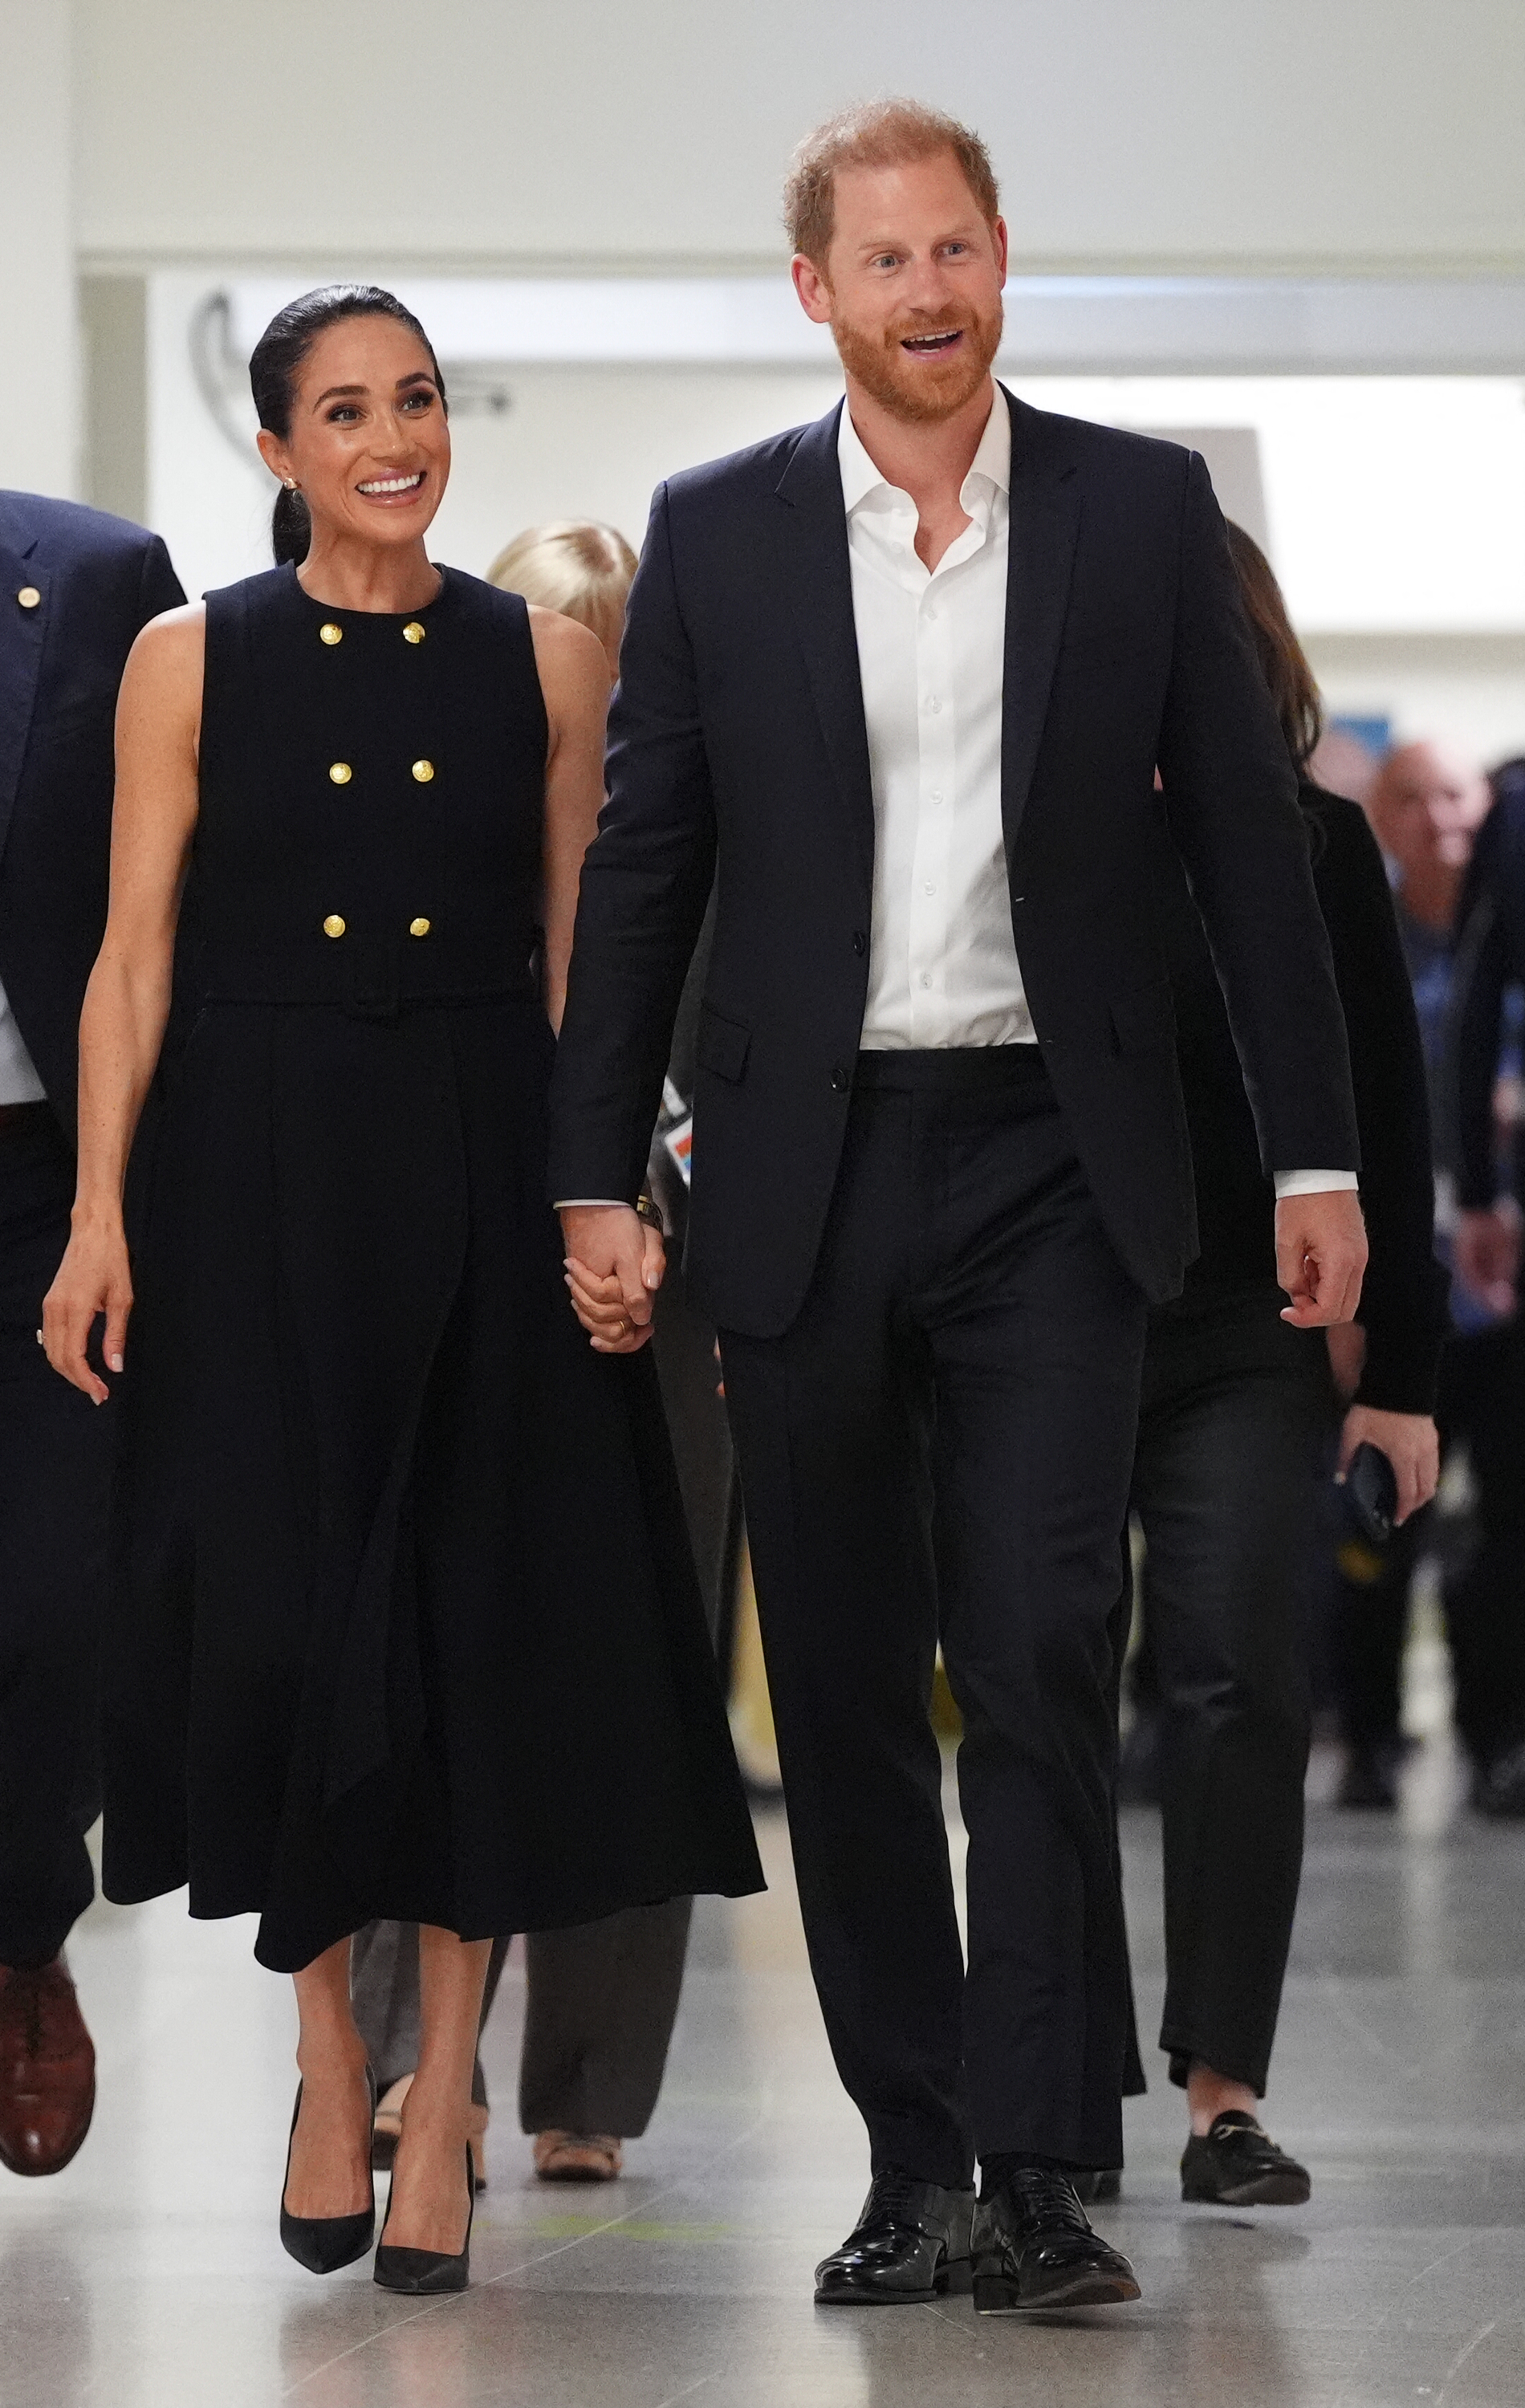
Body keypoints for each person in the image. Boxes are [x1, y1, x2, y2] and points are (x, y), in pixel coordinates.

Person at [547, 101, 1365, 2316]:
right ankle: (909, 2164)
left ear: (1007, 259)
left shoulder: (1137, 510)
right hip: (801, 1164)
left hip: (1047, 1168)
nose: (930, 293)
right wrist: (586, 1169)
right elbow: (647, 871)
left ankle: (1036, 2162)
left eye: (960, 251)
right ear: (812, 289)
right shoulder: (716, 536)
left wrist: (1315, 1156)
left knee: (1027, 1656)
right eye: (883, 261)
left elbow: (1253, 874)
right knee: (831, 1682)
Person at [42, 286, 761, 2294]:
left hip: (478, 1155)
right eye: (344, 408)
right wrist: (102, 1219)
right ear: (273, 447)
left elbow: (577, 963)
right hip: (253, 1181)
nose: (393, 434)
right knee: (274, 1626)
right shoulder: (190, 660)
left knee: (474, 1638)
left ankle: (443, 2092)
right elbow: (131, 960)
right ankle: (325, 2046)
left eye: (419, 397)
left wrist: (595, 1201)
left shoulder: (546, 656)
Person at [353, 519, 726, 2190]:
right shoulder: (429, 859)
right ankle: (407, 2061)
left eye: (606, 653)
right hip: (463, 1280)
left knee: (641, 1667)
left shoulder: (717, 855)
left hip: (683, 1298)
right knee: (423, 1663)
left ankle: (589, 2086)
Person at [1122, 527, 1444, 2208]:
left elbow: (1387, 1108)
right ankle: (1044, 2082)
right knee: (1024, 1692)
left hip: (1250, 1331)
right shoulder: (1042, 836)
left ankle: (1222, 2090)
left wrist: (1399, 1377)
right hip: (1042, 1310)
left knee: (1242, 1679)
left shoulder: (1318, 845)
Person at [0, 478, 183, 2177]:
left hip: (43, 1190)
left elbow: (179, 887)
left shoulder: (95, 578)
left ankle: (25, 1925)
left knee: (56, 1610)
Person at [1332, 744, 1525, 1812]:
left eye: (1454, 795)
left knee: (1505, 1531)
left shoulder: (1511, 927)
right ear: (1383, 819)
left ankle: (1497, 1737)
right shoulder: (1358, 940)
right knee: (1372, 1526)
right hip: (1395, 1290)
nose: (1438, 818)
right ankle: (1366, 1738)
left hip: (1506, 1297)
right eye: (1409, 799)